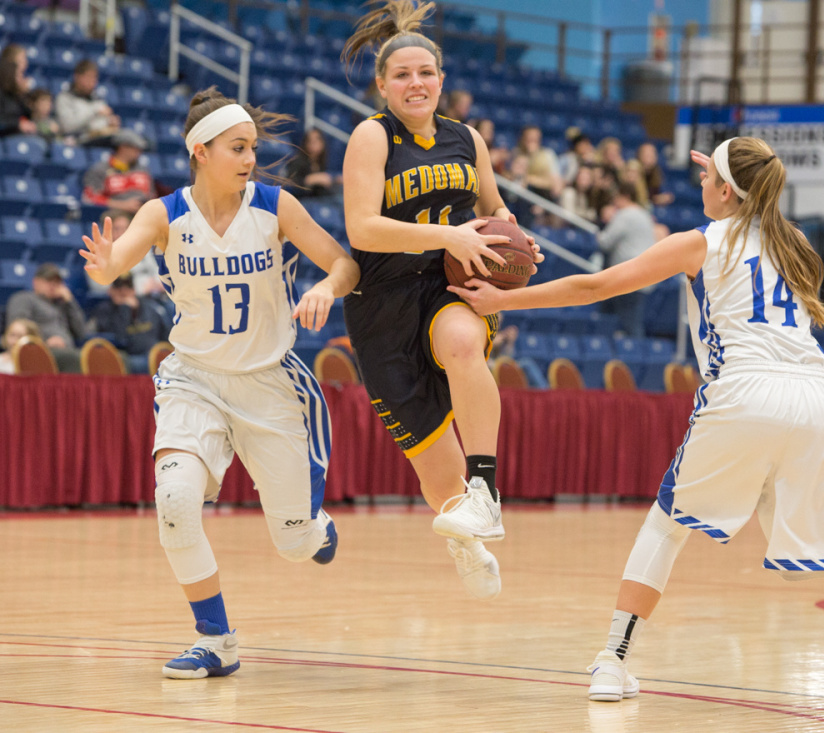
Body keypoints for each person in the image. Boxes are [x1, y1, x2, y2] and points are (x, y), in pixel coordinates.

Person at [450, 137, 824, 726]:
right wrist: (729, 169)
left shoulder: (698, 243)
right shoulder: (797, 247)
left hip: (745, 390)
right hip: (818, 399)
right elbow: (747, 199)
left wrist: (502, 301)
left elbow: (595, 286)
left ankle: (612, 660)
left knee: (667, 525)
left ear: (726, 191)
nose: (699, 185)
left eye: (709, 178)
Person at [78, 87, 360, 679]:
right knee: (175, 503)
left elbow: (345, 263)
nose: (249, 158)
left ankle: (314, 529)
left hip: (269, 385)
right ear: (200, 151)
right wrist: (105, 266)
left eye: (253, 147)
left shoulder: (275, 206)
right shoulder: (164, 213)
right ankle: (217, 641)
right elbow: (117, 261)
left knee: (294, 544)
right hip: (194, 380)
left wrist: (323, 287)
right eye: (237, 147)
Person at [340, 0, 542, 601]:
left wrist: (518, 240)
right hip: (380, 304)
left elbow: (494, 209)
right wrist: (447, 234)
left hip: (450, 286)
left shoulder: (466, 138)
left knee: (461, 341)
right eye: (401, 75)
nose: (415, 83)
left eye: (425, 73)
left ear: (441, 81)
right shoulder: (371, 137)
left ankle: (487, 492)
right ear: (383, 86)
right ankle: (466, 534)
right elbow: (362, 229)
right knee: (434, 471)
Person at [595, 181, 657, 337]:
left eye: (617, 197)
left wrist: (598, 230)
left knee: (629, 323)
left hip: (628, 274)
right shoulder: (644, 214)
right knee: (632, 321)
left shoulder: (624, 215)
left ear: (625, 196)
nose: (615, 201)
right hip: (645, 274)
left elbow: (605, 241)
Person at [6, 263, 88, 373]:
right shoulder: (24, 298)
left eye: (57, 282)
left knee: (96, 358)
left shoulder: (62, 304)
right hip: (40, 352)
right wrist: (43, 342)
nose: (53, 286)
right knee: (73, 358)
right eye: (49, 281)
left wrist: (70, 302)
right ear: (36, 282)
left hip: (67, 351)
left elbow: (81, 332)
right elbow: (17, 328)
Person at [88, 271, 172, 373]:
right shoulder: (104, 311)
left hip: (153, 354)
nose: (124, 292)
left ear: (133, 291)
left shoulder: (149, 307)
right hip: (126, 357)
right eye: (119, 288)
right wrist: (124, 309)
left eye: (128, 287)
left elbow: (166, 335)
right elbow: (121, 339)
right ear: (110, 290)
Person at [82, 129, 156, 213]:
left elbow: (152, 196)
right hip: (115, 213)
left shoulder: (144, 170)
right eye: (135, 149)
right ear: (123, 147)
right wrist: (122, 205)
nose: (139, 153)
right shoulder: (100, 169)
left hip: (143, 213)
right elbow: (90, 198)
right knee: (122, 223)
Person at [55, 58, 121, 146]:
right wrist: (94, 112)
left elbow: (102, 124)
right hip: (78, 140)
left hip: (101, 138)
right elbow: (68, 127)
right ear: (77, 77)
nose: (92, 82)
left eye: (95, 78)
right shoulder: (64, 98)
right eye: (89, 77)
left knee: (128, 139)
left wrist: (110, 122)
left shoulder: (98, 99)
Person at [285, 128, 340, 201]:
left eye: (318, 139)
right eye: (310, 140)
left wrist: (335, 180)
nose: (314, 143)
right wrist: (310, 179)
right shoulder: (298, 161)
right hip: (301, 201)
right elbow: (290, 184)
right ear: (305, 142)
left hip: (316, 202)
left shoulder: (320, 162)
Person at [0, 57, 34, 137]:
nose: (22, 79)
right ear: (10, 75)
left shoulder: (17, 96)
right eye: (19, 75)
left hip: (16, 136)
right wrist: (18, 124)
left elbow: (28, 115)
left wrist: (25, 94)